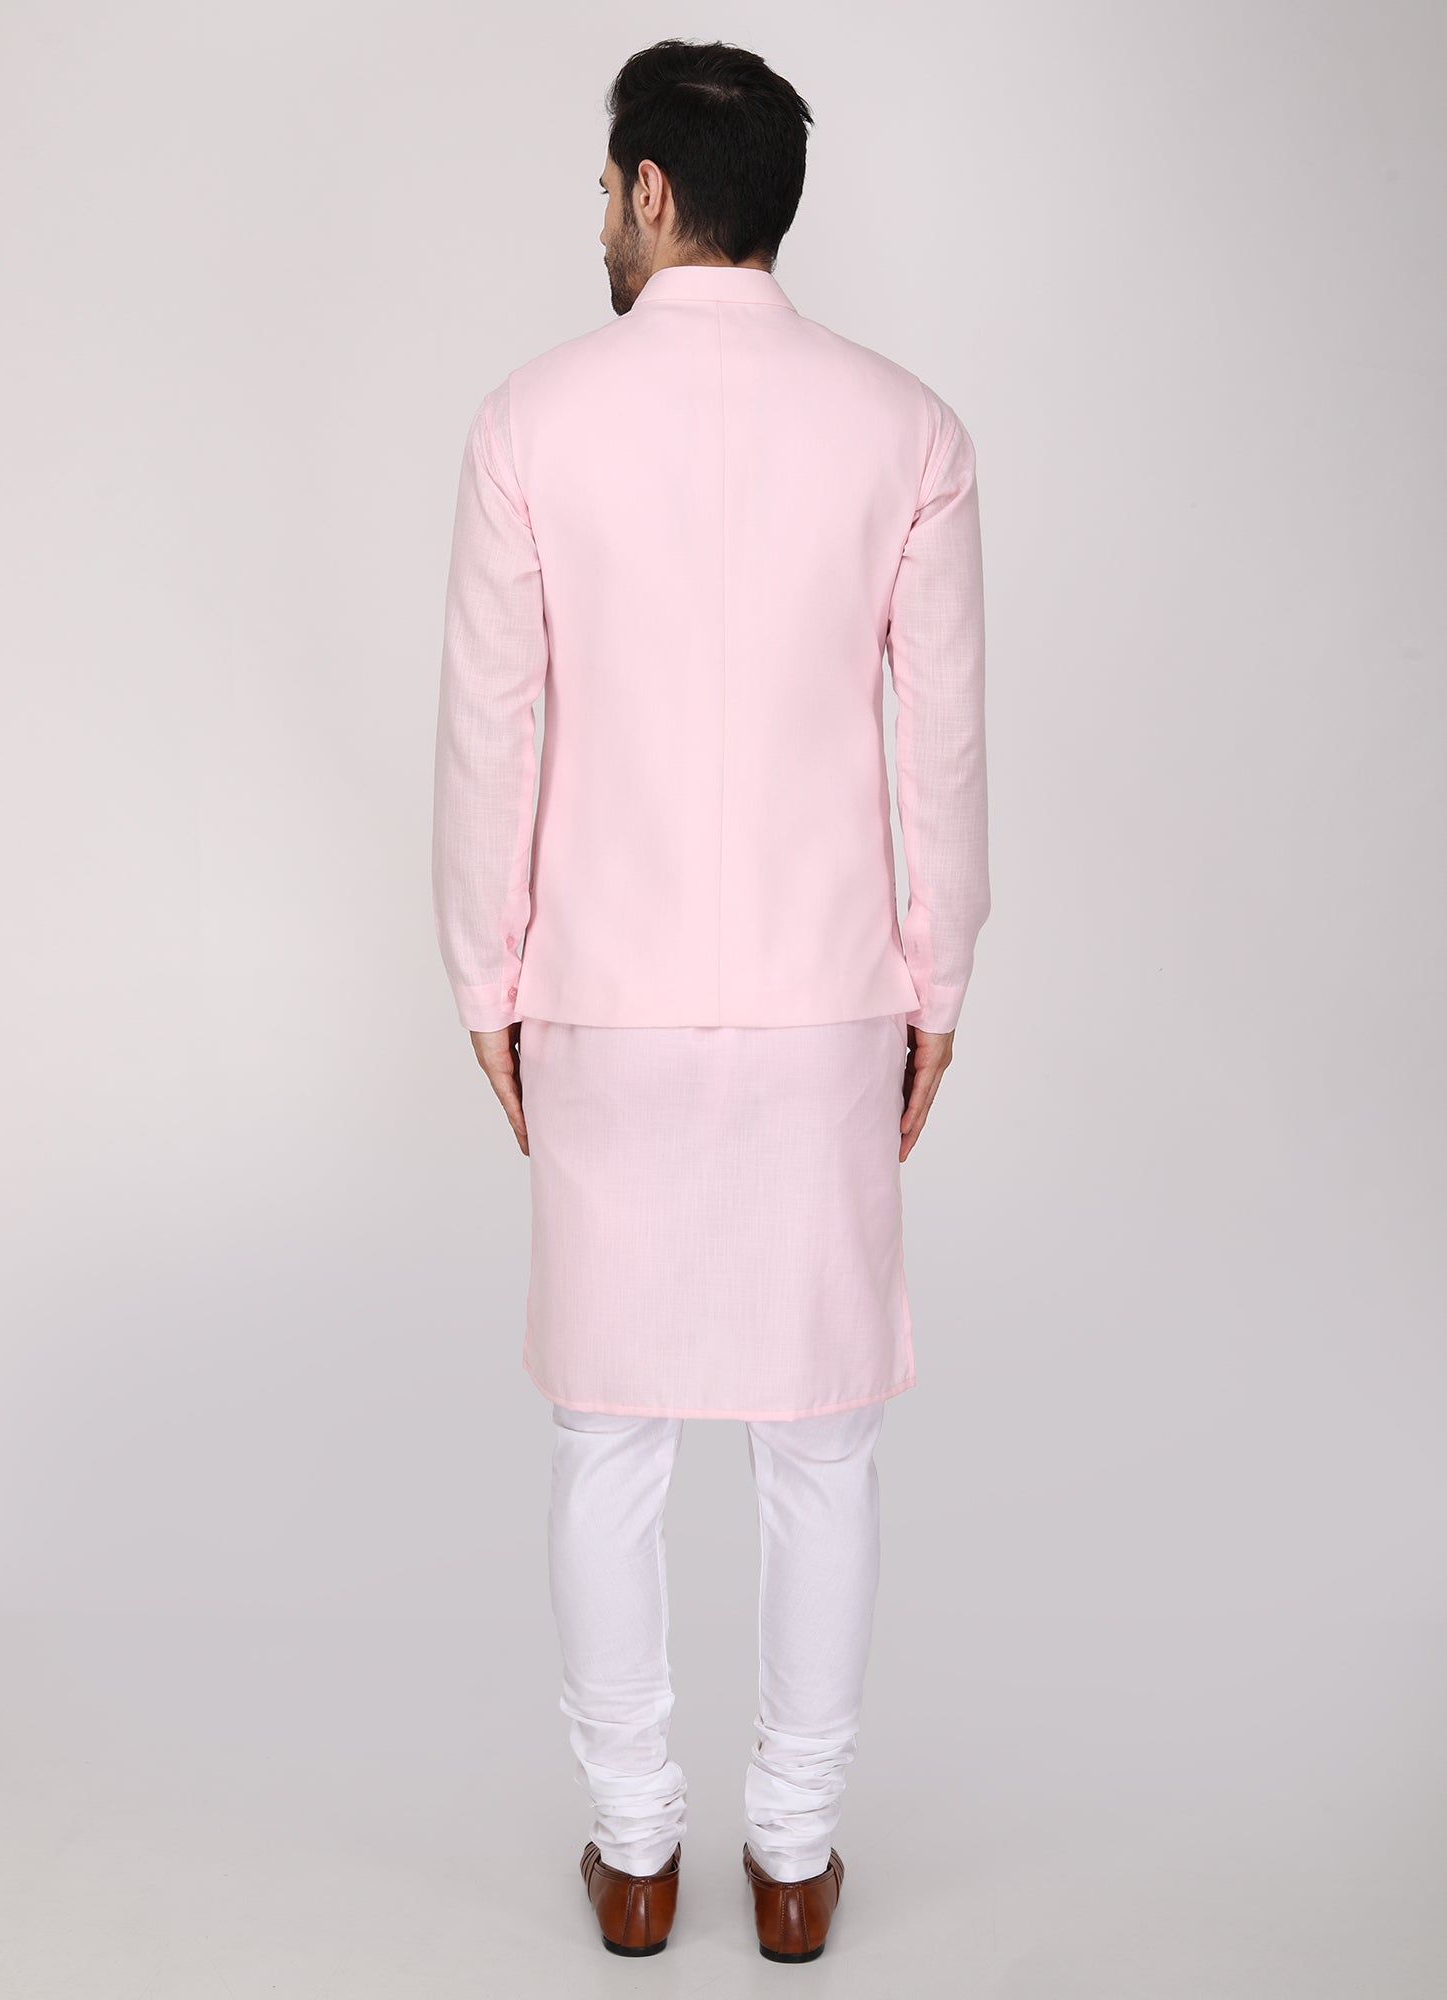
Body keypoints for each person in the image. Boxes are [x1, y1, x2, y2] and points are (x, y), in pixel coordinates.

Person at [431, 37, 989, 1963]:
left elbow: (493, 731)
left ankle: (638, 1849)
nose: (599, 216)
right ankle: (799, 1858)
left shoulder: (529, 423)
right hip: (832, 996)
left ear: (655, 192)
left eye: (608, 188)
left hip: (602, 989)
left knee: (610, 1440)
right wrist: (938, 977)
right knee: (821, 1442)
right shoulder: (909, 432)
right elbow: (940, 747)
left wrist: (486, 974)